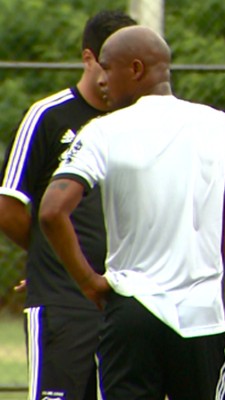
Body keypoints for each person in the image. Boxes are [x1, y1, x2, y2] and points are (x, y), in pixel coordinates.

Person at [38, 25, 225, 400]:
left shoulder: (102, 131)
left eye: (107, 68)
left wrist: (88, 281)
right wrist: (206, 263)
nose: (101, 81)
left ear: (135, 69)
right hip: (201, 315)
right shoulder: (219, 125)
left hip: (132, 312)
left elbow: (52, 211)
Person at [0, 10, 136, 400]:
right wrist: (56, 254)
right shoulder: (48, 116)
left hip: (127, 300)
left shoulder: (135, 121)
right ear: (89, 58)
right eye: (110, 65)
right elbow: (8, 207)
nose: (117, 77)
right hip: (64, 301)